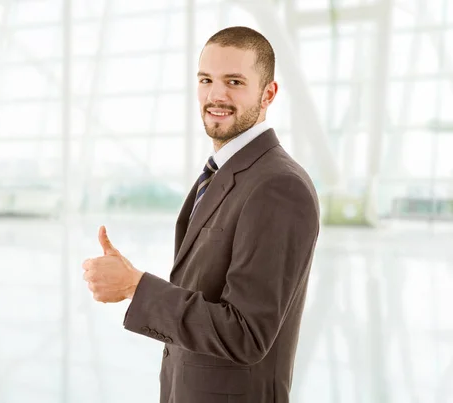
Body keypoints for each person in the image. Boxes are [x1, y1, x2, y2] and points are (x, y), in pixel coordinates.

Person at [82, 26, 320, 403]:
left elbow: (246, 334)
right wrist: (133, 278)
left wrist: (135, 285)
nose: (216, 95)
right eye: (206, 79)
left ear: (268, 93)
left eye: (235, 81)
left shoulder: (277, 186)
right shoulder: (224, 172)